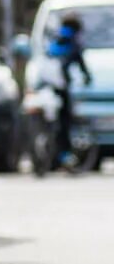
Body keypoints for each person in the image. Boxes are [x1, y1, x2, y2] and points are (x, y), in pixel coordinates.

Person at [44, 14, 94, 170]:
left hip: (45, 85)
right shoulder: (73, 40)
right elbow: (79, 60)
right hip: (61, 86)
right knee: (64, 121)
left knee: (50, 119)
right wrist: (86, 77)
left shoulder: (53, 35)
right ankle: (63, 154)